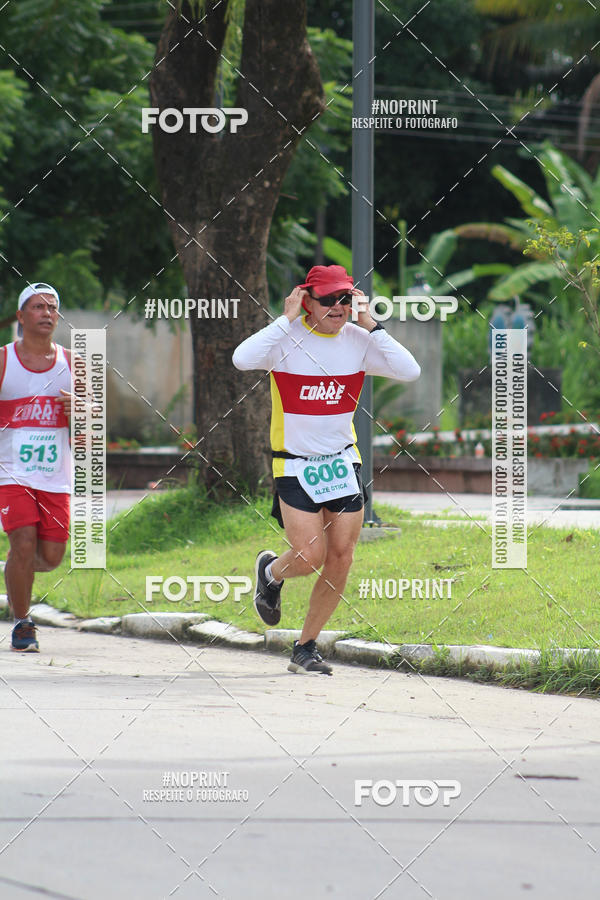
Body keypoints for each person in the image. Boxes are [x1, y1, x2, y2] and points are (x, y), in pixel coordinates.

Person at [232, 264, 420, 675]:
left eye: (346, 298)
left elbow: (410, 371)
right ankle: (271, 571)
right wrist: (285, 319)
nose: (339, 306)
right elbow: (241, 358)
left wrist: (372, 324)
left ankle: (305, 646)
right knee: (309, 555)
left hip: (341, 463)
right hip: (295, 465)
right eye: (329, 299)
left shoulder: (358, 341)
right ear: (306, 301)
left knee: (341, 557)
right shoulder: (285, 340)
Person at [1, 283, 72, 652]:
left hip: (55, 477)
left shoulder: (73, 362)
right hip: (11, 472)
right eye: (38, 307)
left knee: (51, 557)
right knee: (24, 543)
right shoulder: (3, 361)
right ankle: (22, 623)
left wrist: (83, 413)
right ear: (21, 316)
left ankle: (13, 568)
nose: (47, 313)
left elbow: (95, 424)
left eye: (53, 307)